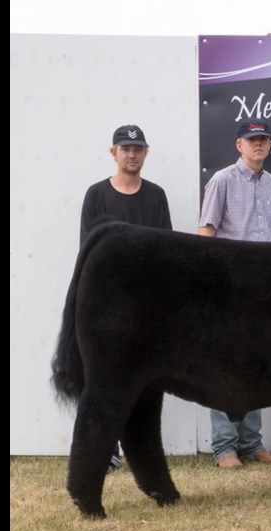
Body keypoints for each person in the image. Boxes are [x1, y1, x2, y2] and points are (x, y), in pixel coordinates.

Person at [80, 124, 173, 472]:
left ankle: (141, 451)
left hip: (148, 304)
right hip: (108, 303)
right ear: (113, 152)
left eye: (137, 148)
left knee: (147, 379)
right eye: (125, 148)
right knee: (104, 379)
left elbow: (167, 249)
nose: (131, 154)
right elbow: (87, 250)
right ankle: (104, 450)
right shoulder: (96, 195)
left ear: (145, 153)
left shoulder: (156, 195)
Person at [198, 118, 271, 469]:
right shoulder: (221, 180)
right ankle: (224, 448)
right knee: (224, 365)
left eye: (263, 139)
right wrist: (204, 283)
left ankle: (252, 444)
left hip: (265, 288)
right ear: (239, 145)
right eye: (252, 140)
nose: (258, 145)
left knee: (257, 365)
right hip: (229, 285)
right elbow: (206, 232)